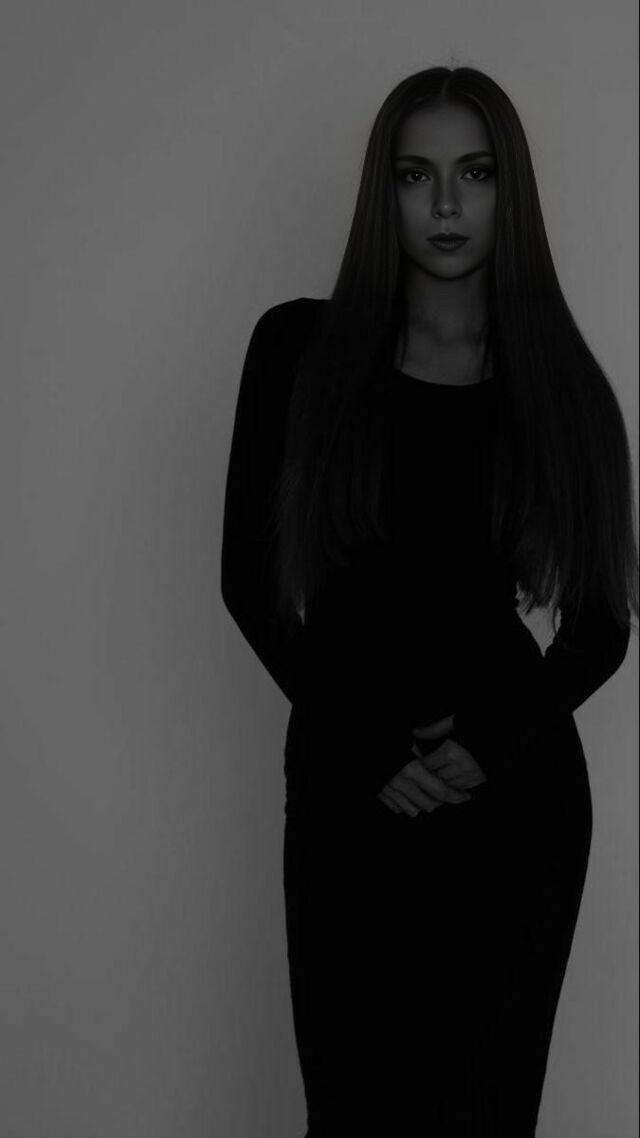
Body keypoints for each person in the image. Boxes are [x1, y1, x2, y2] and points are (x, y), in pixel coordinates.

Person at [221, 65, 637, 1137]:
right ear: (385, 191)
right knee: (352, 1114)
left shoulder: (560, 382)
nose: (447, 205)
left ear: (510, 191)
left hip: (516, 803)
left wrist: (495, 740)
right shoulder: (297, 350)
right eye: (417, 176)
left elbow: (601, 626)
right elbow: (248, 582)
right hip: (348, 783)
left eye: (475, 174)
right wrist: (362, 741)